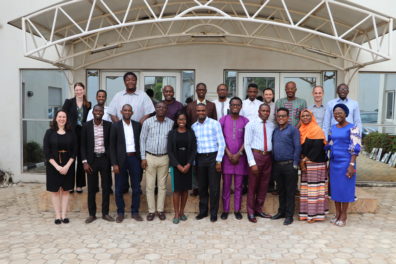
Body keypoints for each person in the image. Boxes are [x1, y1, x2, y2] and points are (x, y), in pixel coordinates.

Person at [326, 104, 361, 227]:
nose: (337, 115)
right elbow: (329, 144)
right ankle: (337, 214)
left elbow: (356, 147)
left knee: (345, 188)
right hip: (334, 162)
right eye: (335, 113)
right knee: (335, 188)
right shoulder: (333, 128)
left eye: (340, 112)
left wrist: (351, 165)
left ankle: (344, 215)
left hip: (347, 162)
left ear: (346, 114)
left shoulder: (353, 128)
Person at [140, 101, 174, 221]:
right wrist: (143, 157)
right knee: (149, 186)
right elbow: (142, 140)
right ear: (155, 108)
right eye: (158, 107)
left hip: (164, 158)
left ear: (166, 110)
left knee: (162, 186)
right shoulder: (148, 122)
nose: (161, 109)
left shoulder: (171, 123)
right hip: (150, 157)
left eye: (163, 107)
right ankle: (151, 211)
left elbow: (172, 142)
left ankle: (160, 210)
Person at [81, 105, 114, 224]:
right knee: (91, 189)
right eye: (96, 111)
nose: (98, 112)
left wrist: (111, 160)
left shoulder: (109, 125)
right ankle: (92, 214)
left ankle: (105, 213)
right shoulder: (86, 126)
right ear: (93, 112)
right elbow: (83, 145)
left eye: (100, 111)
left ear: (103, 113)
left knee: (106, 188)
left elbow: (111, 145)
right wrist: (84, 162)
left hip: (104, 160)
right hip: (91, 161)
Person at [110, 104, 143, 223]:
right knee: (118, 187)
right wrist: (114, 163)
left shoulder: (137, 125)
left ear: (132, 112)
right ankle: (120, 213)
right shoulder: (115, 126)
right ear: (121, 111)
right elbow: (112, 147)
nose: (127, 112)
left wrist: (141, 159)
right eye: (125, 110)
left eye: (129, 110)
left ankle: (135, 212)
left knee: (136, 187)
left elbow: (141, 143)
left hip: (134, 158)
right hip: (120, 160)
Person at [192, 104, 225, 222]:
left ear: (206, 111)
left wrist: (218, 160)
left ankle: (214, 212)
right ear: (196, 112)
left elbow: (221, 143)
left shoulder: (214, 123)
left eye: (203, 110)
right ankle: (203, 211)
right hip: (200, 159)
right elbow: (194, 146)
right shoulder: (193, 127)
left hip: (213, 158)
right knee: (202, 187)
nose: (201, 112)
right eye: (198, 110)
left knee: (214, 187)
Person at [43, 110, 76, 224]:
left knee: (66, 191)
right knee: (55, 192)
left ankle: (64, 215)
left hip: (68, 166)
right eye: (60, 117)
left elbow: (74, 151)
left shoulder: (71, 133)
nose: (62, 119)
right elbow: (47, 151)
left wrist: (67, 166)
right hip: (53, 166)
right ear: (56, 118)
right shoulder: (49, 132)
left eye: (64, 117)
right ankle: (57, 216)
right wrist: (57, 166)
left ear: (66, 119)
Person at [219, 97, 249, 220]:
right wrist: (229, 153)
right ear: (230, 106)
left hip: (240, 158)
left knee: (238, 186)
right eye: (233, 104)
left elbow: (247, 139)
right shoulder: (223, 120)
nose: (235, 106)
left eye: (238, 105)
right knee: (226, 185)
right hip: (227, 158)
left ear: (241, 107)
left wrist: (239, 153)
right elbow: (220, 139)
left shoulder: (245, 121)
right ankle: (225, 210)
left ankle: (237, 210)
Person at [244, 103, 275, 223]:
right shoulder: (251, 124)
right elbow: (246, 144)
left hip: (268, 157)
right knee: (252, 186)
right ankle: (251, 212)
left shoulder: (272, 125)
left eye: (267, 111)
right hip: (256, 156)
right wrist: (252, 163)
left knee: (264, 185)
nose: (265, 113)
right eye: (263, 111)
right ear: (258, 111)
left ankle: (259, 209)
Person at [185, 83, 217, 196]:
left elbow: (214, 121)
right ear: (196, 91)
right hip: (195, 137)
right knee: (195, 165)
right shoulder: (190, 106)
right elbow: (188, 122)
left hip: (208, 140)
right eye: (199, 89)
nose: (201, 91)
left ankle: (205, 187)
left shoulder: (212, 105)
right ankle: (196, 188)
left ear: (206, 90)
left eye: (203, 89)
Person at [271, 108, 301, 225]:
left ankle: (289, 215)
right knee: (281, 190)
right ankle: (281, 212)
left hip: (289, 165)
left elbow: (297, 147)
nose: (281, 118)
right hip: (277, 166)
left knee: (290, 191)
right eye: (279, 116)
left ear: (288, 117)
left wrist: (295, 164)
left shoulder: (293, 130)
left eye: (283, 116)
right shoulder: (276, 131)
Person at [298, 109, 329, 223]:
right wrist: (302, 160)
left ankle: (315, 215)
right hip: (306, 164)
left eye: (308, 115)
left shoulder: (316, 129)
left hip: (316, 164)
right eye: (303, 116)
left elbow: (317, 148)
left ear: (311, 117)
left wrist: (304, 160)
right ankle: (306, 214)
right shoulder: (300, 129)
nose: (305, 117)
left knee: (315, 191)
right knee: (307, 191)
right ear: (300, 118)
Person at [167, 111, 197, 224]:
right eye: (179, 119)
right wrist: (178, 166)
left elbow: (194, 150)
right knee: (177, 190)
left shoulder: (191, 133)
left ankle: (182, 212)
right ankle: (176, 214)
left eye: (183, 119)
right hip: (176, 165)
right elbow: (169, 151)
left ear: (186, 121)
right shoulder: (172, 133)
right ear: (176, 121)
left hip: (188, 164)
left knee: (185, 190)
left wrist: (189, 164)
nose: (181, 122)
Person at [62, 82, 91, 193]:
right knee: (70, 159)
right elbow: (62, 116)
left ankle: (79, 185)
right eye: (76, 90)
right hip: (71, 133)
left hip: (83, 134)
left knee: (81, 160)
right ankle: (69, 185)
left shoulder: (88, 104)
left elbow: (88, 120)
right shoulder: (69, 102)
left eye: (80, 89)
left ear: (84, 90)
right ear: (74, 91)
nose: (78, 92)